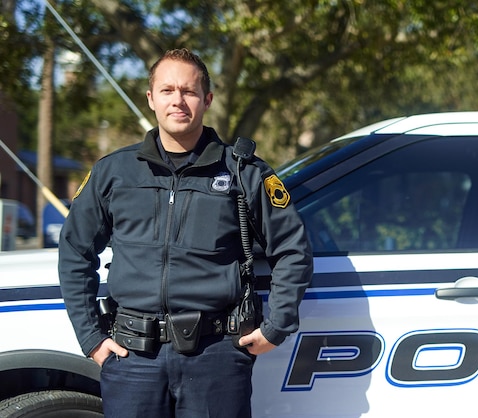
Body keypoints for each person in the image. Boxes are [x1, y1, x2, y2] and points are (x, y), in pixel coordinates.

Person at [58, 48, 313, 418]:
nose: (178, 100)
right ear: (151, 99)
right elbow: (74, 252)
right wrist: (92, 338)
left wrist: (277, 326)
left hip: (216, 358)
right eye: (167, 90)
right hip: (133, 360)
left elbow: (292, 248)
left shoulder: (245, 173)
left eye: (189, 92)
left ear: (207, 99)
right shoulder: (114, 173)